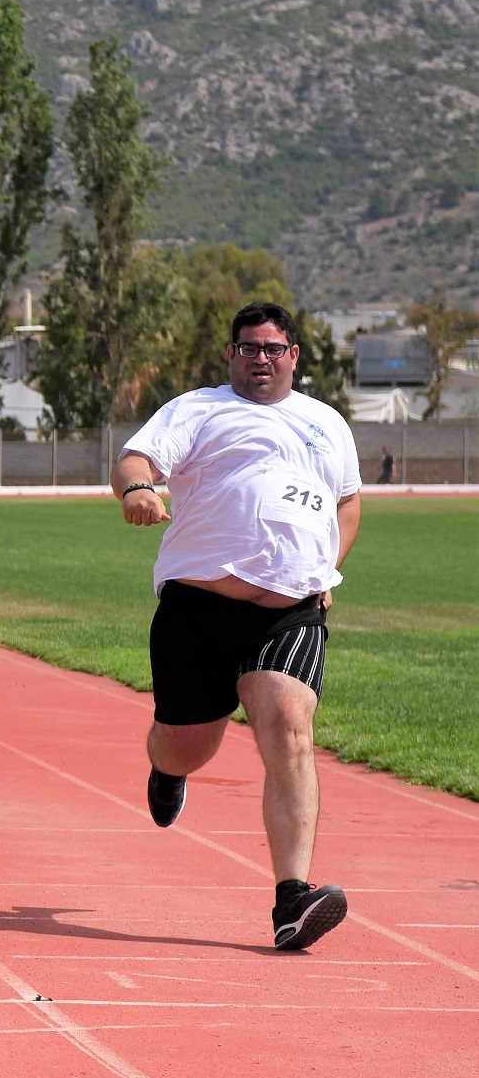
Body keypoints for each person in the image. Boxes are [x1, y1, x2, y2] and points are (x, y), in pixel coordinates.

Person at [114, 301, 362, 951]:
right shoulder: (198, 409)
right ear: (232, 355)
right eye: (249, 348)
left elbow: (347, 502)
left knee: (289, 731)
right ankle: (168, 771)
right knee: (185, 744)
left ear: (294, 357)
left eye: (273, 348)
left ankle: (291, 899)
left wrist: (325, 572)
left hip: (290, 608)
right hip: (198, 609)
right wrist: (138, 490)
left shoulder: (325, 423)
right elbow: (137, 458)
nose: (261, 358)